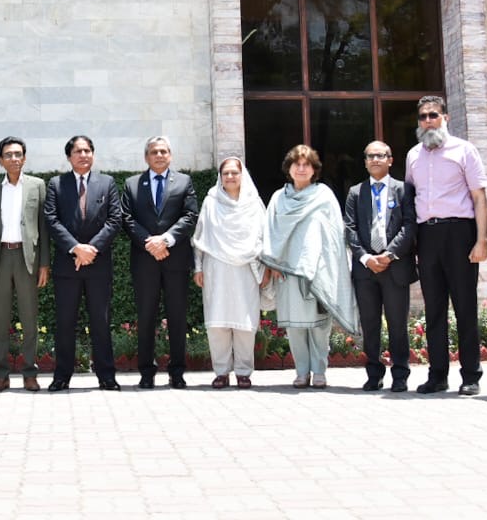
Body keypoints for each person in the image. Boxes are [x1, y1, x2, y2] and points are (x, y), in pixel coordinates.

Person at [405, 95, 487, 396]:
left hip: (460, 233)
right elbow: (410, 201)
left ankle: (471, 376)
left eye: (433, 115)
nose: (428, 120)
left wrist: (482, 240)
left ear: (445, 117)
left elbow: (479, 197)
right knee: (434, 309)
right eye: (423, 116)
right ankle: (437, 375)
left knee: (465, 306)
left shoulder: (464, 150)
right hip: (428, 236)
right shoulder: (413, 155)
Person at [263, 145, 358, 389]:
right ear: (289, 168)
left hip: (317, 270)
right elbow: (270, 231)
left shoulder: (323, 195)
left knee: (319, 327)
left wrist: (328, 266)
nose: (302, 168)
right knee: (295, 327)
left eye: (307, 164)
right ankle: (301, 372)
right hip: (286, 271)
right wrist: (273, 262)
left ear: (314, 170)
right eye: (297, 164)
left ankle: (319, 372)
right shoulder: (278, 198)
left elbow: (336, 233)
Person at [44, 135, 123, 391]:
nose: (83, 155)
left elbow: (114, 220)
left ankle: (107, 376)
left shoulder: (107, 183)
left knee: (100, 322)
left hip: (98, 266)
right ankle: (62, 376)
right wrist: (76, 248)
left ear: (93, 154)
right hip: (67, 267)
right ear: (69, 156)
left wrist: (92, 249)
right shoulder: (56, 184)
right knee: (65, 322)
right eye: (78, 151)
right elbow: (52, 220)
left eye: (88, 150)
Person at [121, 136, 199, 389]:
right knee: (146, 317)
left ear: (171, 155)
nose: (159, 155)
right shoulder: (132, 184)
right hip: (145, 261)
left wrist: (166, 240)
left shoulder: (184, 182)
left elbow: (190, 215)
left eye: (164, 151)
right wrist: (150, 243)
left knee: (177, 317)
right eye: (154, 152)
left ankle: (177, 373)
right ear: (146, 157)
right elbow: (127, 219)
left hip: (175, 260)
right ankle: (146, 372)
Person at [192, 157, 273, 389]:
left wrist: (266, 267)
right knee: (217, 323)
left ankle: (244, 372)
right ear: (220, 177)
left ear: (242, 175)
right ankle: (221, 372)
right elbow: (200, 236)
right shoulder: (211, 201)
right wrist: (198, 267)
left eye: (234, 173)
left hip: (247, 268)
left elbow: (265, 236)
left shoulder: (254, 202)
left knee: (245, 322)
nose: (229, 177)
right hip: (215, 267)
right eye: (225, 173)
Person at [343, 141, 417, 393]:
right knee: (370, 323)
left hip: (394, 267)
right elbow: (350, 229)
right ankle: (373, 373)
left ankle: (400, 374)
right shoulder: (355, 192)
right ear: (364, 161)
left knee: (397, 324)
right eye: (370, 156)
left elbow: (409, 225)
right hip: (365, 270)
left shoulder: (404, 189)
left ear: (390, 160)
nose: (375, 159)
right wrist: (366, 258)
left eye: (380, 155)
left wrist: (390, 254)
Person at [0, 137, 50, 392]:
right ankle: (1, 375)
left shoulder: (38, 186)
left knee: (30, 319)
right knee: (0, 320)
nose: (14, 158)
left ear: (25, 157)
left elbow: (44, 227)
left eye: (18, 154)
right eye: (8, 154)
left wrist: (44, 264)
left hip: (26, 259)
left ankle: (30, 373)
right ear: (0, 160)